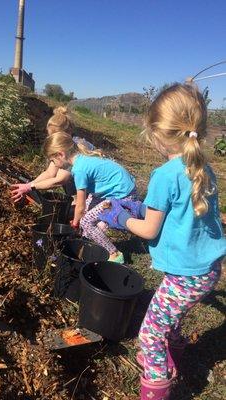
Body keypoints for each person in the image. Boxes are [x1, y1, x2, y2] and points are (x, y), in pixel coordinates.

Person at [99, 83, 226, 399]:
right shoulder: (203, 168)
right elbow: (181, 213)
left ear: (157, 133)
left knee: (151, 334)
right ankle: (172, 361)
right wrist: (141, 207)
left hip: (185, 275)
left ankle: (156, 384)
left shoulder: (165, 174)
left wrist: (121, 218)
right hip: (207, 270)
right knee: (173, 320)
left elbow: (149, 231)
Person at [43, 131, 137, 263]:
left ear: (60, 155)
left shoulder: (79, 170)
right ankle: (93, 234)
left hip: (123, 196)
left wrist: (75, 223)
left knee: (85, 221)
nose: (53, 164)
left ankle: (115, 255)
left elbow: (80, 206)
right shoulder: (82, 159)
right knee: (87, 214)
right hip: (119, 190)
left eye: (52, 160)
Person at [11, 106, 96, 202]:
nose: (52, 139)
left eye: (55, 136)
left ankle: (78, 202)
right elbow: (50, 173)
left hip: (99, 193)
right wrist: (29, 185)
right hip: (86, 190)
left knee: (68, 176)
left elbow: (60, 180)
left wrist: (30, 187)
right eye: (50, 135)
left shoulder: (76, 146)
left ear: (68, 132)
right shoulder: (64, 144)